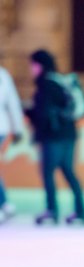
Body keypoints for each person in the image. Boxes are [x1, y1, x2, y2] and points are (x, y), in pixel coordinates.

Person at [27, 50, 84, 225]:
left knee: (48, 172)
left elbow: (44, 112)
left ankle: (52, 210)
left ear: (39, 65)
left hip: (53, 136)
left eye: (32, 65)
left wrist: (32, 116)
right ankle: (80, 211)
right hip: (68, 134)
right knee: (68, 171)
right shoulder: (59, 81)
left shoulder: (46, 84)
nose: (31, 69)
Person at [0, 65, 25, 224]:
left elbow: (13, 102)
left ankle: (4, 203)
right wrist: (17, 128)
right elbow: (13, 103)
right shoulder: (3, 75)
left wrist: (18, 129)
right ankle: (5, 203)